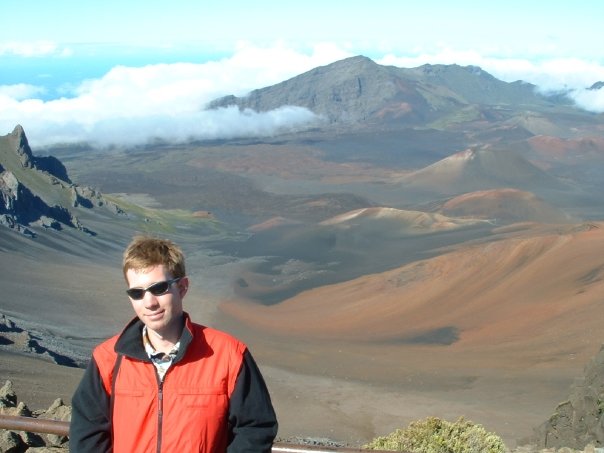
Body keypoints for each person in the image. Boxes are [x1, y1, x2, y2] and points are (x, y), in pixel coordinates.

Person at [70, 235, 278, 452]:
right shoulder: (108, 359)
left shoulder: (228, 355)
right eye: (137, 293)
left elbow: (254, 429)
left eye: (159, 288)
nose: (149, 302)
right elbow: (87, 432)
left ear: (182, 287)